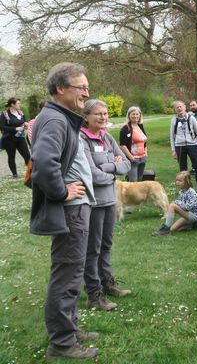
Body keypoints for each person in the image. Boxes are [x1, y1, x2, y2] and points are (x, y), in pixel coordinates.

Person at [30, 62, 99, 359]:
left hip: (75, 208)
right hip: (69, 209)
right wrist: (62, 191)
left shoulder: (59, 117)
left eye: (87, 88)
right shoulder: (56, 120)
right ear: (61, 88)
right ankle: (62, 343)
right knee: (68, 275)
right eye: (80, 87)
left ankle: (69, 327)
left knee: (72, 271)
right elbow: (44, 167)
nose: (85, 93)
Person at [80, 99, 132, 311]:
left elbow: (127, 164)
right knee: (93, 249)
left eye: (105, 113)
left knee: (106, 245)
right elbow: (90, 173)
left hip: (110, 200)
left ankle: (107, 283)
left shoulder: (106, 136)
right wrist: (113, 172)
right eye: (98, 114)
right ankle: (93, 293)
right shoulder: (81, 138)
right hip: (92, 203)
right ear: (86, 116)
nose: (103, 117)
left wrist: (106, 166)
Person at [169, 100, 197, 194]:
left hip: (192, 145)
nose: (179, 108)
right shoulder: (174, 120)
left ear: (184, 107)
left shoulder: (191, 118)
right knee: (183, 169)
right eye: (177, 107)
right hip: (179, 146)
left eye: (181, 106)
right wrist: (173, 150)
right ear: (175, 110)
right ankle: (185, 189)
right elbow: (171, 136)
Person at [153, 171, 197, 235]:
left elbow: (188, 207)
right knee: (172, 229)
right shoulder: (182, 191)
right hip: (187, 215)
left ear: (187, 182)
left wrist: (176, 203)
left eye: (180, 181)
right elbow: (182, 204)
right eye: (176, 180)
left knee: (172, 206)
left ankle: (165, 228)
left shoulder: (191, 192)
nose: (177, 182)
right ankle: (193, 225)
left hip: (193, 215)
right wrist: (177, 205)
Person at [1, 97, 31, 179]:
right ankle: (15, 175)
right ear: (12, 104)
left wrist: (25, 124)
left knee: (27, 155)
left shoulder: (20, 112)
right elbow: (2, 126)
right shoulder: (5, 114)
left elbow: (23, 121)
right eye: (18, 103)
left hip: (20, 137)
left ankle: (31, 173)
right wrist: (14, 129)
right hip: (9, 139)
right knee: (11, 156)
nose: (20, 105)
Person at [119, 106, 148, 182]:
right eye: (133, 114)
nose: (135, 116)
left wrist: (146, 154)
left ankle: (138, 194)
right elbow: (122, 145)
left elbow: (144, 141)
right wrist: (131, 158)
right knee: (133, 182)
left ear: (140, 115)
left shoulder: (140, 126)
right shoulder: (125, 128)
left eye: (137, 114)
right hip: (133, 160)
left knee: (139, 181)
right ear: (129, 115)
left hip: (143, 158)